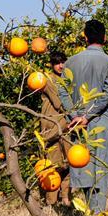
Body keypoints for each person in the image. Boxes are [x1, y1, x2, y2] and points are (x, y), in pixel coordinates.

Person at [58, 19, 108, 212]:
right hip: (101, 123)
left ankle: (90, 213)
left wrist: (76, 116)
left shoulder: (71, 62)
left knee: (83, 166)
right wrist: (88, 116)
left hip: (79, 126)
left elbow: (63, 92)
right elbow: (107, 95)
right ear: (105, 38)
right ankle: (98, 215)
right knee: (100, 168)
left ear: (85, 37)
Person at [40, 50, 71, 207]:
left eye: (63, 62)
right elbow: (59, 103)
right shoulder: (48, 80)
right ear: (52, 65)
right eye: (57, 63)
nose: (61, 66)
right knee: (54, 165)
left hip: (64, 125)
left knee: (69, 161)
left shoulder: (66, 79)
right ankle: (51, 202)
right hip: (52, 125)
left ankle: (65, 197)